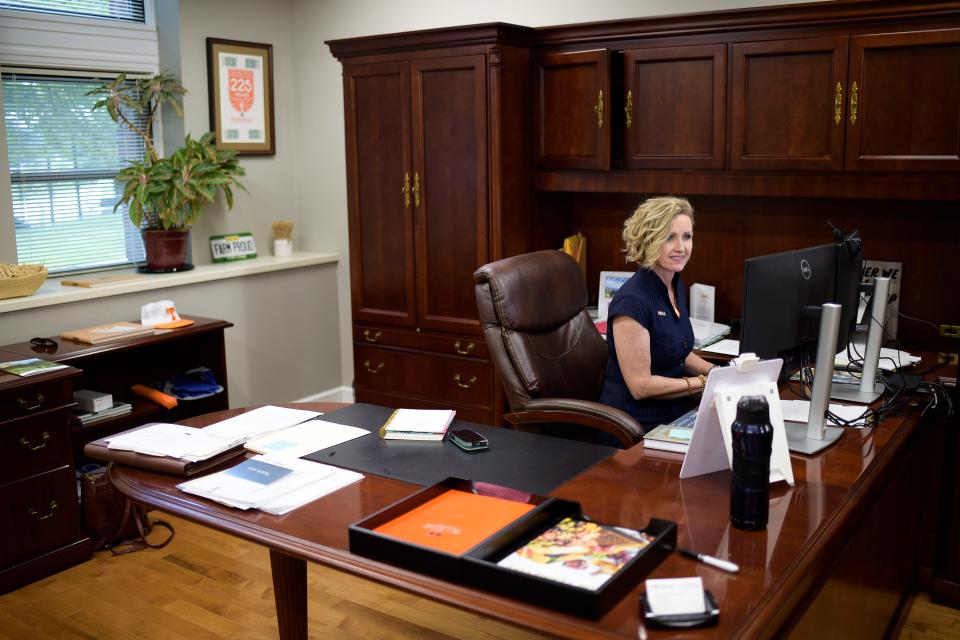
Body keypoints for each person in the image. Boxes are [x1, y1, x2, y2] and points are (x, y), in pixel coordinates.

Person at [598, 196, 716, 432]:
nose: (681, 248)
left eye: (687, 237)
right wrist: (704, 383)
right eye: (669, 237)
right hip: (636, 426)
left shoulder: (675, 286)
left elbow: (677, 352)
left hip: (676, 413)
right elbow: (640, 386)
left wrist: (718, 373)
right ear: (649, 239)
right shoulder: (632, 301)